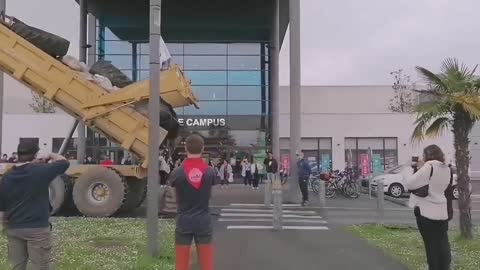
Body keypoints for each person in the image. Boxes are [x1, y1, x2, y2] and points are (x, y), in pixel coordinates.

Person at [0, 142, 70, 270]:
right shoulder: (40, 172)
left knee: (17, 266)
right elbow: (64, 163)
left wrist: (5, 225)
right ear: (36, 155)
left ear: (18, 155)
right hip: (37, 228)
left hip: (14, 227)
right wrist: (49, 155)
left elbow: (2, 207)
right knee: (40, 265)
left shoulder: (7, 177)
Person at [168, 134, 215, 270]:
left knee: (181, 263)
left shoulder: (177, 173)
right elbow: (209, 193)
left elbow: (172, 193)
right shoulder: (210, 172)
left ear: (185, 148)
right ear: (203, 148)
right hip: (204, 220)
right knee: (207, 263)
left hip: (184, 220)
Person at [406, 145, 452, 270]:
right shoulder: (446, 168)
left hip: (426, 213)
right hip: (441, 213)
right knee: (442, 245)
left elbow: (410, 183)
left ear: (427, 155)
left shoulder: (428, 167)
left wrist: (418, 168)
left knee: (431, 247)